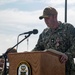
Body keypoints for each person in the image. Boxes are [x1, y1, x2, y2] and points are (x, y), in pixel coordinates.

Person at [32, 6, 75, 75]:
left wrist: (67, 55)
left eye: (47, 18)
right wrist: (29, 54)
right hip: (48, 70)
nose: (45, 21)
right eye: (44, 19)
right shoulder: (44, 33)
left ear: (55, 17)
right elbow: (38, 48)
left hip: (66, 70)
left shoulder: (67, 28)